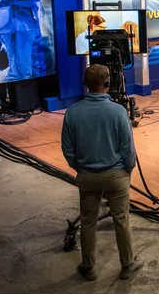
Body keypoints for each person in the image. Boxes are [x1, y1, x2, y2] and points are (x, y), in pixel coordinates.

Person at [61, 64, 144, 282]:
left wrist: (80, 167)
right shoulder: (117, 112)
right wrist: (127, 170)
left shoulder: (72, 113)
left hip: (86, 176)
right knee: (121, 219)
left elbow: (67, 149)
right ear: (108, 83)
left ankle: (88, 267)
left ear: (85, 85)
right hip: (116, 175)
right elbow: (128, 148)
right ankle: (127, 264)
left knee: (88, 221)